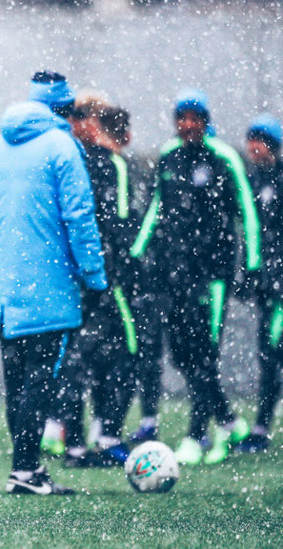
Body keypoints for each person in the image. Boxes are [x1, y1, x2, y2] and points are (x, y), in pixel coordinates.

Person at [0, 71, 106, 495]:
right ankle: (27, 470)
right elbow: (79, 217)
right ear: (66, 109)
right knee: (42, 380)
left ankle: (22, 468)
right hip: (50, 290)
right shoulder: (62, 147)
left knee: (16, 382)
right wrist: (94, 277)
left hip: (5, 291)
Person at [130, 88, 259, 465]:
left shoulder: (224, 159)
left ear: (205, 121)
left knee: (206, 355)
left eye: (194, 118)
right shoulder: (170, 156)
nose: (187, 125)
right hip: (175, 274)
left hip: (213, 276)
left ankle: (197, 434)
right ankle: (228, 421)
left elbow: (246, 213)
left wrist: (251, 265)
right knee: (184, 356)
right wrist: (138, 253)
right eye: (181, 118)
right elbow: (156, 206)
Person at [57, 98, 139, 468]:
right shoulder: (112, 165)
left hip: (73, 277)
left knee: (75, 359)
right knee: (125, 354)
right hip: (105, 280)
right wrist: (119, 270)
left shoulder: (72, 161)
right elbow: (120, 222)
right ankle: (105, 438)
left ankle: (76, 445)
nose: (79, 124)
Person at [237, 114, 283, 453]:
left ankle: (262, 424)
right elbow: (251, 235)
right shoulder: (252, 181)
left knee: (272, 351)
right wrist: (249, 274)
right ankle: (261, 425)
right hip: (268, 285)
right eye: (251, 139)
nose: (253, 146)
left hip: (280, 286)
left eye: (260, 139)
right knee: (267, 352)